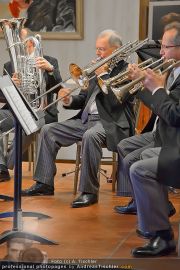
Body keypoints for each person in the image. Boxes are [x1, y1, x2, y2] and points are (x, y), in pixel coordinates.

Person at [21, 29, 136, 209]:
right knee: (48, 130)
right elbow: (83, 99)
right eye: (97, 49)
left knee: (91, 136)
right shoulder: (95, 68)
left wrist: (103, 75)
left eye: (102, 49)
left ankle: (89, 192)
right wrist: (68, 99)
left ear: (116, 50)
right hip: (85, 119)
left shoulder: (128, 70)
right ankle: (44, 183)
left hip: (111, 122)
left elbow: (117, 100)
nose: (97, 53)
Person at [128, 22, 180, 257]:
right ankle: (157, 215)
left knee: (140, 168)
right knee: (145, 155)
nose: (160, 52)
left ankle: (162, 235)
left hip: (175, 139)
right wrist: (144, 85)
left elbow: (174, 115)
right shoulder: (173, 71)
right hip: (171, 139)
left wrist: (158, 89)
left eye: (165, 47)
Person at [0, 28, 62, 182]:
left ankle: (8, 163)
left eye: (22, 43)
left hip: (42, 111)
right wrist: (9, 86)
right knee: (23, 121)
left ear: (32, 43)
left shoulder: (49, 61)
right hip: (15, 111)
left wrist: (50, 70)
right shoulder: (9, 65)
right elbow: (2, 98)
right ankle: (1, 167)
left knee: (28, 123)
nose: (18, 46)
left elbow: (59, 88)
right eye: (17, 43)